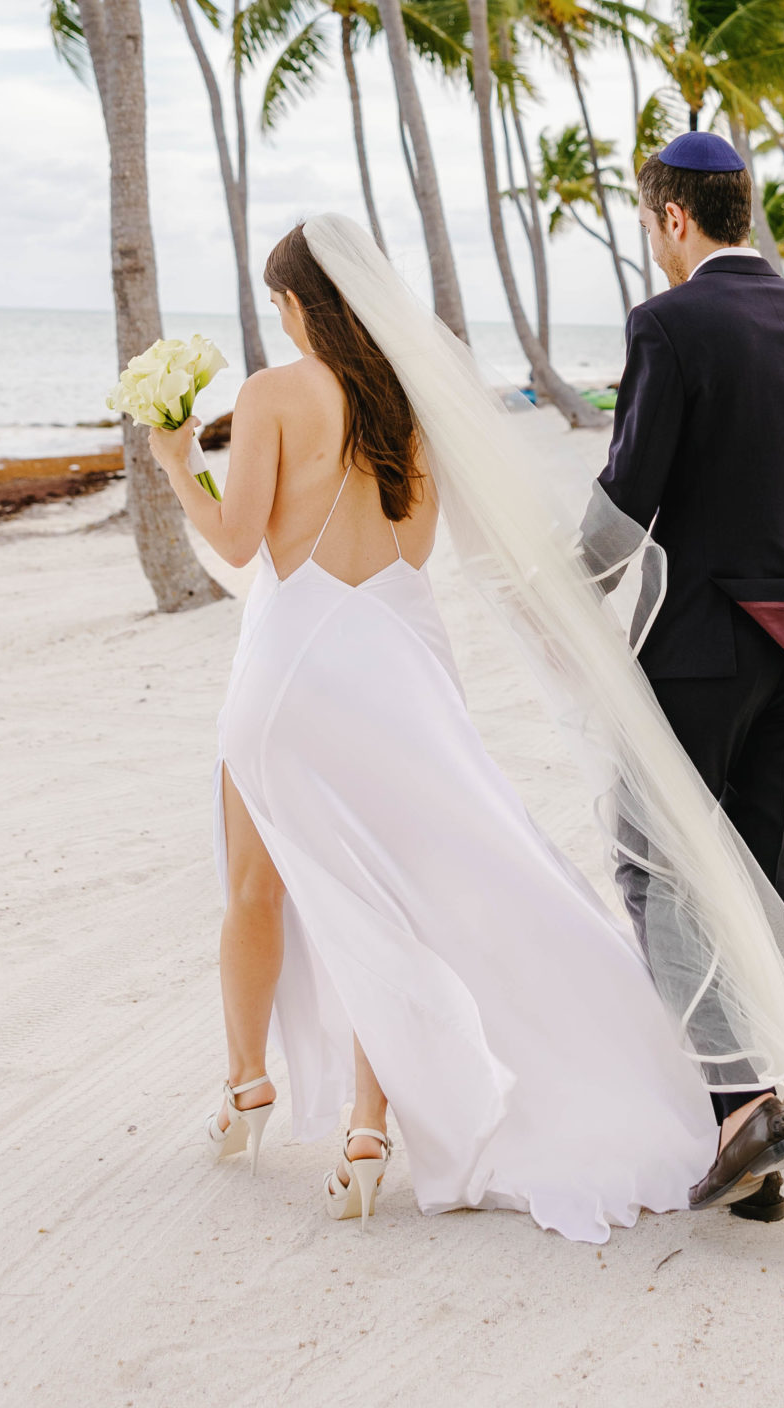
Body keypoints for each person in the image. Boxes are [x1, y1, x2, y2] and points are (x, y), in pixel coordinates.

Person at [146, 222, 713, 1239]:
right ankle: (368, 1131)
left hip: (289, 673)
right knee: (386, 898)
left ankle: (245, 1088)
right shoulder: (409, 407)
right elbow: (409, 554)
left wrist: (175, 459)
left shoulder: (276, 392)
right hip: (395, 674)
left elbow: (238, 544)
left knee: (253, 885)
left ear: (296, 303)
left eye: (278, 302)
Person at [594, 131, 784, 1223]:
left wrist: (562, 592)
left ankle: (738, 1104)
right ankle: (775, 1120)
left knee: (654, 867)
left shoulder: (669, 322)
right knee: (769, 883)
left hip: (699, 650)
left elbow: (629, 501)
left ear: (675, 218)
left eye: (649, 223)